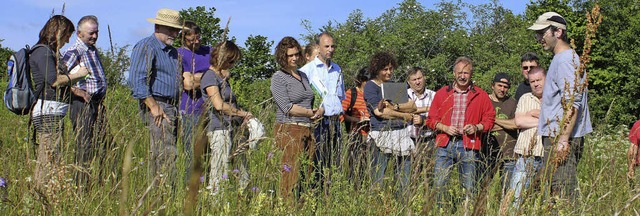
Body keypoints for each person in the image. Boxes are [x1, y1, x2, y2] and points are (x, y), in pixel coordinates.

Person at [528, 11, 593, 202]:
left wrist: (563, 139)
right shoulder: (560, 59)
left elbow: (573, 102)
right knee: (555, 190)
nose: (539, 38)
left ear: (558, 32)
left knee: (563, 192)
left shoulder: (565, 60)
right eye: (537, 34)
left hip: (561, 137)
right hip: (557, 135)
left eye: (542, 33)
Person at [425, 57, 495, 208]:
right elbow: (430, 119)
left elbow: (490, 119)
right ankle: (441, 210)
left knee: (469, 187)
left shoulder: (481, 95)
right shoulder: (442, 93)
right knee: (439, 185)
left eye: (466, 73)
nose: (463, 76)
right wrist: (444, 127)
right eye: (460, 72)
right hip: (445, 143)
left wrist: (477, 128)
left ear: (471, 74)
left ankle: (467, 211)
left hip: (468, 145)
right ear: (454, 73)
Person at [31, 15, 88, 196]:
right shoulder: (42, 52)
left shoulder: (49, 52)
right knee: (48, 158)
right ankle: (42, 197)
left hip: (52, 111)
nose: (68, 40)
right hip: (47, 112)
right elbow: (53, 81)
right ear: (58, 32)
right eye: (67, 35)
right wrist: (79, 74)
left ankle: (47, 196)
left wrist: (74, 91)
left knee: (52, 157)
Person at [128, 8, 185, 186]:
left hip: (172, 106)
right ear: (158, 26)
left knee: (169, 151)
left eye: (177, 30)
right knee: (164, 153)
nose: (175, 33)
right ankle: (163, 194)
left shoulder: (173, 52)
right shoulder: (147, 46)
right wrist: (153, 107)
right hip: (158, 105)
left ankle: (165, 192)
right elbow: (137, 80)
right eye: (171, 29)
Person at [270, 36, 322, 200]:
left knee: (307, 173)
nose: (294, 58)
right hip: (289, 128)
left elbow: (310, 99)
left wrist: (317, 111)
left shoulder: (303, 75)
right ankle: (286, 206)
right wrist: (309, 113)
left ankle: (303, 205)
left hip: (307, 127)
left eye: (296, 54)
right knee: (290, 176)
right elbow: (286, 107)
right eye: (289, 55)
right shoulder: (278, 77)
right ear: (282, 56)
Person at [61, 15, 108, 190]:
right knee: (84, 146)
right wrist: (75, 90)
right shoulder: (75, 51)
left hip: (97, 103)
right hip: (82, 104)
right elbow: (59, 78)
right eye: (91, 33)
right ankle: (81, 188)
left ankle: (104, 185)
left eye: (96, 32)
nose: (95, 36)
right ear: (79, 33)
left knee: (105, 145)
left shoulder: (91, 50)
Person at [200, 40, 252, 192]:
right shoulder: (210, 77)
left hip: (232, 128)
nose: (232, 65)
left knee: (242, 168)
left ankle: (243, 198)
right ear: (222, 57)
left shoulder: (221, 78)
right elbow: (219, 105)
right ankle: (217, 201)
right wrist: (243, 113)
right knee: (220, 169)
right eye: (231, 61)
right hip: (219, 129)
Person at [364, 52, 416, 201]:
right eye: (385, 69)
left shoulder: (394, 86)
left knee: (404, 179)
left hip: (401, 134)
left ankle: (402, 205)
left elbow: (412, 105)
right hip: (382, 134)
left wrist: (396, 106)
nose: (389, 72)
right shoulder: (370, 86)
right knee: (378, 180)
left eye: (390, 68)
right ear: (377, 69)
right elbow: (380, 112)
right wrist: (405, 116)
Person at [299, 32, 345, 189]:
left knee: (334, 161)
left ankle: (330, 193)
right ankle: (315, 193)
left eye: (333, 46)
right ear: (318, 48)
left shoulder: (337, 69)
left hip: (335, 121)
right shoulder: (307, 70)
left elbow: (341, 96)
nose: (330, 49)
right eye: (327, 46)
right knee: (317, 161)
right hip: (318, 122)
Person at [177, 21, 211, 182]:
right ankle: (190, 186)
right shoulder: (179, 54)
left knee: (211, 152)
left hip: (212, 109)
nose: (196, 42)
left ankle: (209, 185)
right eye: (192, 39)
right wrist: (210, 76)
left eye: (198, 38)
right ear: (183, 38)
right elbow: (188, 84)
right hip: (191, 110)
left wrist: (196, 76)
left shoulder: (209, 51)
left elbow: (224, 72)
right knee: (192, 152)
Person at [510, 67, 546, 208]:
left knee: (543, 200)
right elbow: (519, 122)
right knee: (516, 197)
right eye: (532, 81)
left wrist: (533, 114)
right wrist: (545, 120)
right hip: (526, 156)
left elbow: (557, 121)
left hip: (547, 156)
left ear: (546, 79)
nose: (536, 84)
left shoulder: (555, 98)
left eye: (539, 80)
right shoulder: (525, 98)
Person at [480, 73, 518, 195]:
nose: (502, 89)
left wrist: (492, 120)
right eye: (499, 85)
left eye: (505, 87)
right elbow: (481, 125)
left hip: (509, 153)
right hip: (487, 152)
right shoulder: (484, 100)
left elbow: (515, 124)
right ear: (493, 85)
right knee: (484, 188)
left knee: (507, 190)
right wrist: (505, 124)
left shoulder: (513, 102)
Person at [341, 67, 370, 189]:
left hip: (373, 135)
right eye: (366, 81)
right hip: (356, 134)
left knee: (371, 167)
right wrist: (357, 120)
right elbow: (341, 114)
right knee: (356, 167)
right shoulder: (351, 93)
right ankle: (355, 189)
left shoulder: (376, 94)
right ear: (361, 80)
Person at [406, 67, 436, 181]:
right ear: (409, 82)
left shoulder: (434, 96)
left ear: (424, 78)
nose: (417, 82)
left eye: (419, 78)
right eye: (414, 80)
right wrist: (426, 109)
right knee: (409, 174)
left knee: (428, 174)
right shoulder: (404, 95)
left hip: (428, 140)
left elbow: (439, 116)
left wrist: (424, 121)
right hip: (408, 140)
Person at [627, 119, 640, 188]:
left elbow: (633, 147)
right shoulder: (638, 125)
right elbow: (632, 148)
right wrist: (631, 167)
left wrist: (631, 167)